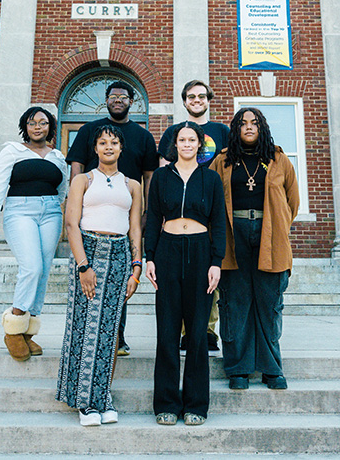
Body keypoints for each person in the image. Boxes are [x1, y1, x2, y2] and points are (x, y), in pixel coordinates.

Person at [56, 123, 143, 426]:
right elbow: (71, 224)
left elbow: (135, 227)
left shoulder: (132, 185)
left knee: (109, 329)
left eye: (114, 142)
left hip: (120, 255)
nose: (109, 147)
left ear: (121, 148)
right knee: (84, 327)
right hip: (89, 250)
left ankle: (103, 396)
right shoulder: (83, 179)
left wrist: (136, 267)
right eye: (103, 142)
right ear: (95, 148)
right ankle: (84, 401)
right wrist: (83, 266)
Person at [66, 80, 158, 355]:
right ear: (106, 100)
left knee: (120, 280)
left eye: (124, 96)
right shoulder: (89, 130)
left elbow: (150, 176)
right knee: (89, 283)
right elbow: (77, 166)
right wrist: (75, 200)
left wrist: (146, 212)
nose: (118, 100)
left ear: (132, 101)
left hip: (127, 209)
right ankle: (83, 342)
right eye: (113, 96)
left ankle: (117, 336)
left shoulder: (142, 137)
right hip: (93, 213)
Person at [210, 107, 299, 391]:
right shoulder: (222, 161)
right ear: (235, 129)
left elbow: (292, 203)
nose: (249, 127)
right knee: (234, 304)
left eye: (254, 123)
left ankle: (272, 368)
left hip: (269, 236)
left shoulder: (279, 159)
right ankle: (238, 369)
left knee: (269, 304)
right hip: (232, 237)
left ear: (262, 127)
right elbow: (212, 202)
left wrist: (277, 226)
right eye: (243, 123)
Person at [145, 122, 225, 426]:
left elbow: (219, 222)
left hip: (201, 252)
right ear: (175, 144)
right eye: (182, 139)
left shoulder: (212, 179)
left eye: (193, 140)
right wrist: (149, 257)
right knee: (167, 331)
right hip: (167, 251)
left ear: (200, 145)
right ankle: (166, 402)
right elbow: (153, 218)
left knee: (196, 333)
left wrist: (216, 261)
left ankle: (196, 405)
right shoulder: (163, 177)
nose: (188, 144)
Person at [0, 107, 69, 361]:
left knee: (44, 270)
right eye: (32, 123)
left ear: (50, 127)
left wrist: (58, 209)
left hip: (50, 213)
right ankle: (13, 329)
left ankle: (28, 333)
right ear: (24, 126)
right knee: (31, 267)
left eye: (43, 122)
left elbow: (62, 188)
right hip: (20, 212)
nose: (38, 127)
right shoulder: (12, 151)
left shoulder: (58, 156)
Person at [157, 80, 230, 355]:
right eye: (191, 96)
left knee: (210, 268)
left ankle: (207, 330)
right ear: (184, 100)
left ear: (209, 99)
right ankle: (185, 331)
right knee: (183, 273)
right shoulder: (174, 132)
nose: (197, 100)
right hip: (181, 211)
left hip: (213, 206)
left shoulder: (222, 131)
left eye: (201, 96)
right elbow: (164, 169)